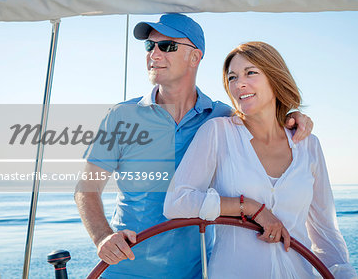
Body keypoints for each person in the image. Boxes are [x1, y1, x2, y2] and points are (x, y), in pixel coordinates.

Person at [74, 14, 314, 278]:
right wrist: (102, 237)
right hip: (124, 269)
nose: (154, 54)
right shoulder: (121, 116)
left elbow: (266, 122)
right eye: (149, 46)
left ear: (195, 57)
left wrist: (292, 119)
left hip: (196, 271)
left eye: (167, 46)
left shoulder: (222, 118)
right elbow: (87, 187)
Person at [164, 41, 357, 278]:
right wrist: (251, 207)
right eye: (232, 77)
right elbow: (176, 202)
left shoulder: (308, 144)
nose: (239, 83)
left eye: (250, 72)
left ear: (275, 78)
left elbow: (325, 232)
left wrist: (344, 274)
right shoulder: (217, 132)